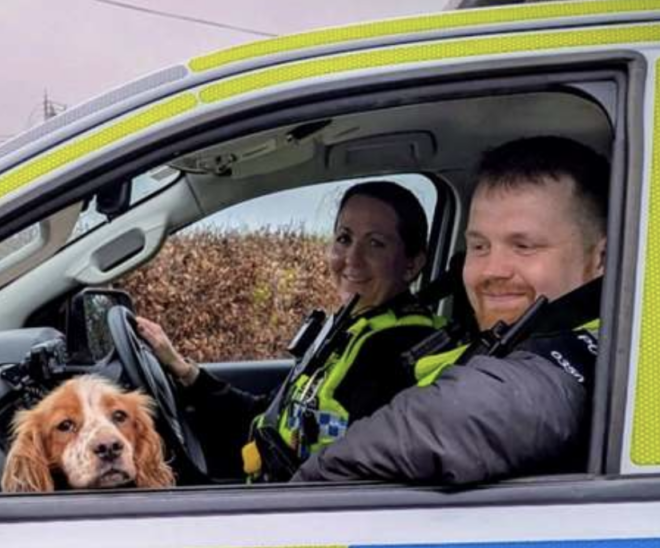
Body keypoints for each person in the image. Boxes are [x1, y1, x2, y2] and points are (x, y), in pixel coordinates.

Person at [292, 135, 608, 484]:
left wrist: (294, 498)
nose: (491, 271)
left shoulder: (588, 356)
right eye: (479, 246)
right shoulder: (502, 341)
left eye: (524, 246)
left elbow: (500, 407)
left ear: (601, 259)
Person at [137, 181, 442, 481]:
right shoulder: (349, 330)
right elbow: (266, 416)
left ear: (412, 264)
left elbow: (360, 480)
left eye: (375, 243)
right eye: (344, 238)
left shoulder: (400, 353)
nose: (352, 259)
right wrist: (183, 370)